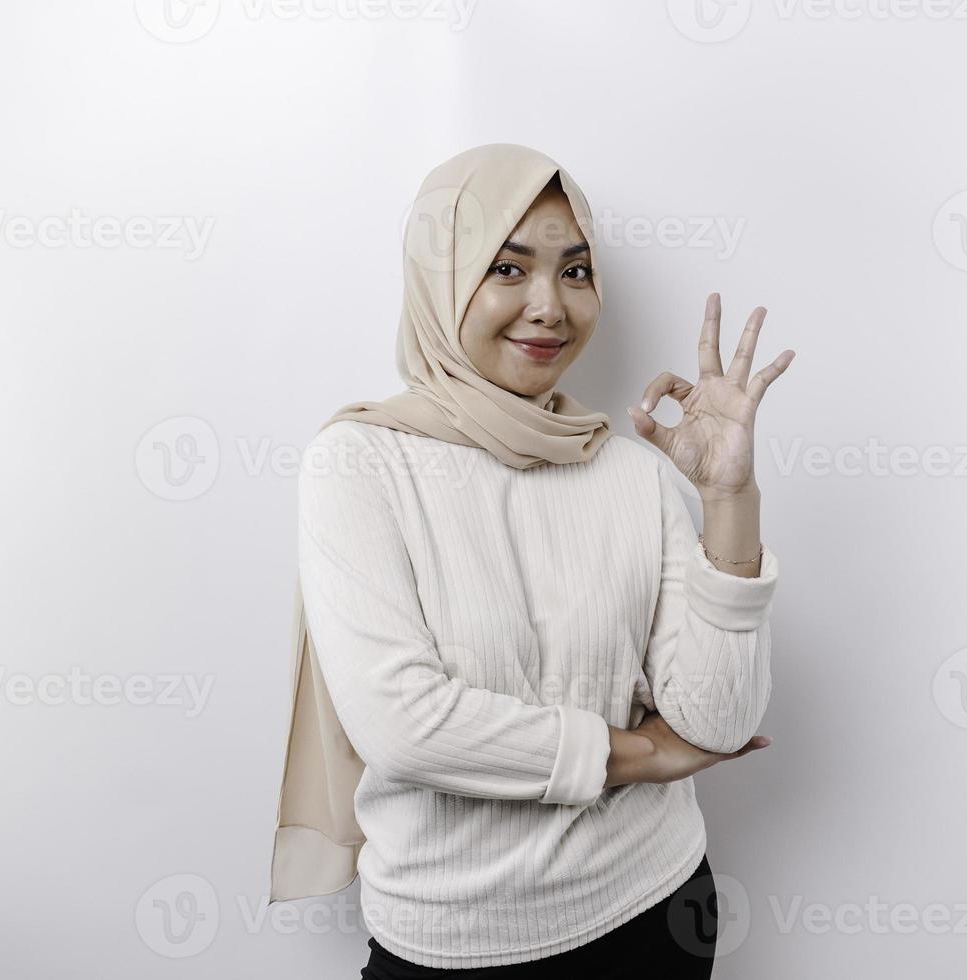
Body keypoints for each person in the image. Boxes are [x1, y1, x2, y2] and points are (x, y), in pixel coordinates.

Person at [279, 142, 794, 977]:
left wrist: (729, 500)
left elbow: (718, 722)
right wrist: (641, 756)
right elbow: (404, 725)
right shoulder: (360, 463)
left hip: (656, 909)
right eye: (508, 270)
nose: (550, 307)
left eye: (575, 271)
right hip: (452, 943)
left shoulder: (628, 471)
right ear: (441, 279)